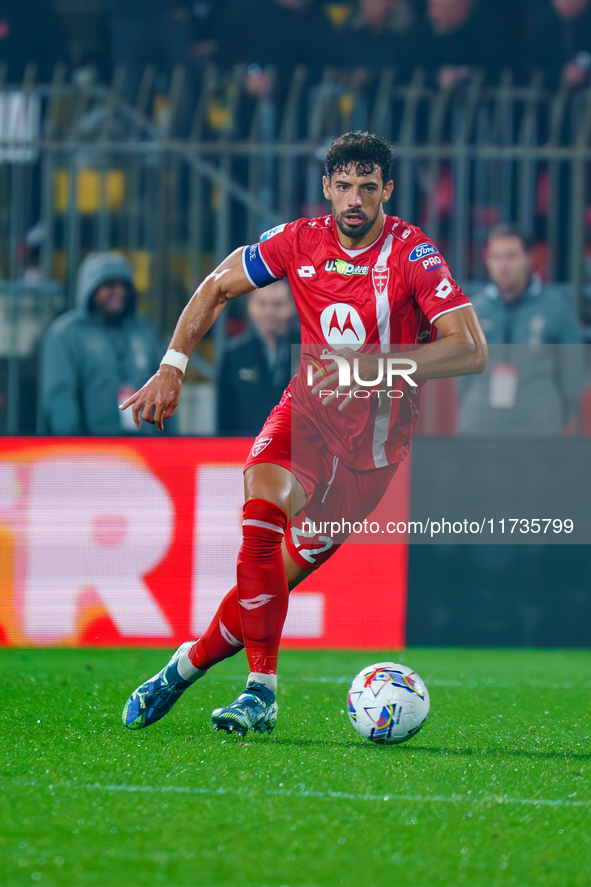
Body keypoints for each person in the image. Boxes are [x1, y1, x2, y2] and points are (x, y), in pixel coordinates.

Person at [120, 131, 487, 737]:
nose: (354, 199)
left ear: (387, 192)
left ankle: (182, 668)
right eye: (344, 186)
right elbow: (216, 286)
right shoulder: (298, 241)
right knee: (259, 521)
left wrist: (381, 364)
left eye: (368, 188)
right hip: (307, 417)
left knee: (265, 587)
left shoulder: (413, 256)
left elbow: (470, 350)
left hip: (373, 455)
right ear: (327, 188)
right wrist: (172, 367)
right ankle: (259, 693)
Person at [458, 224, 584, 436]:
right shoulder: (473, 311)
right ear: (487, 261)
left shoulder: (556, 309)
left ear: (529, 259)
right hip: (480, 426)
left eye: (511, 256)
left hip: (539, 427)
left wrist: (558, 416)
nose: (503, 265)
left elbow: (572, 375)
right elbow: (460, 376)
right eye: (496, 257)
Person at [40, 252, 167, 436]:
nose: (118, 291)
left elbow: (164, 387)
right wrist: (71, 446)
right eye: (109, 284)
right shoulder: (66, 334)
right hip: (92, 452)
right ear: (90, 287)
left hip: (146, 449)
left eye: (124, 285)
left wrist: (169, 441)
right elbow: (59, 398)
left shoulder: (143, 331)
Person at [217, 281, 298, 435]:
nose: (269, 312)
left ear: (292, 306)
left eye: (278, 304)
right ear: (249, 305)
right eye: (262, 304)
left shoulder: (309, 351)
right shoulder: (234, 355)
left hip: (296, 451)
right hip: (244, 452)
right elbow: (224, 419)